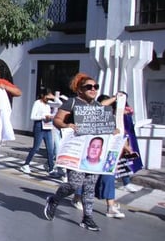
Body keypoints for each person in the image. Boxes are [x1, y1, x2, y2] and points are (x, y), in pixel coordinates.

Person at [42, 73, 108, 232]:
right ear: (80, 90)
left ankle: (88, 218)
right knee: (74, 184)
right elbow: (57, 120)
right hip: (76, 150)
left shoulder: (98, 107)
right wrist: (67, 126)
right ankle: (54, 199)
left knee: (90, 186)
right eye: (89, 87)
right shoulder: (72, 103)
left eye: (95, 87)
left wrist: (113, 131)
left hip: (93, 153)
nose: (93, 90)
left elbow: (105, 126)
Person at [20, 89, 61, 177]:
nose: (48, 97)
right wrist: (43, 116)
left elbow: (60, 104)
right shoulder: (37, 103)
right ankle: (26, 164)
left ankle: (51, 168)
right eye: (47, 95)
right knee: (36, 147)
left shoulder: (48, 103)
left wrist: (54, 97)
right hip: (39, 126)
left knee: (50, 149)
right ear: (43, 95)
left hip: (47, 126)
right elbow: (32, 116)